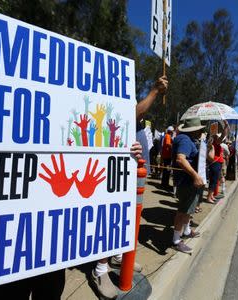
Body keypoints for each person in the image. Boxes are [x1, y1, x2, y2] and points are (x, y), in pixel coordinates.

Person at [0, 131, 143, 299]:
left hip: (52, 261)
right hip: (3, 262)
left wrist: (124, 156)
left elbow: (100, 197)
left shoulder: (67, 148)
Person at [91, 75, 168, 299]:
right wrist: (154, 91)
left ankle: (116, 256)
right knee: (108, 216)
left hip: (127, 169)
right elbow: (131, 114)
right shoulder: (107, 102)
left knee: (122, 219)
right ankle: (100, 269)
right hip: (109, 170)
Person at [171, 117, 205, 254]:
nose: (201, 131)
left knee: (188, 209)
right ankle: (176, 240)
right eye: (200, 129)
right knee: (183, 211)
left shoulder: (188, 139)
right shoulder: (185, 140)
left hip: (189, 181)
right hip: (186, 181)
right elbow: (180, 159)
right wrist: (195, 175)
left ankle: (186, 230)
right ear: (195, 130)